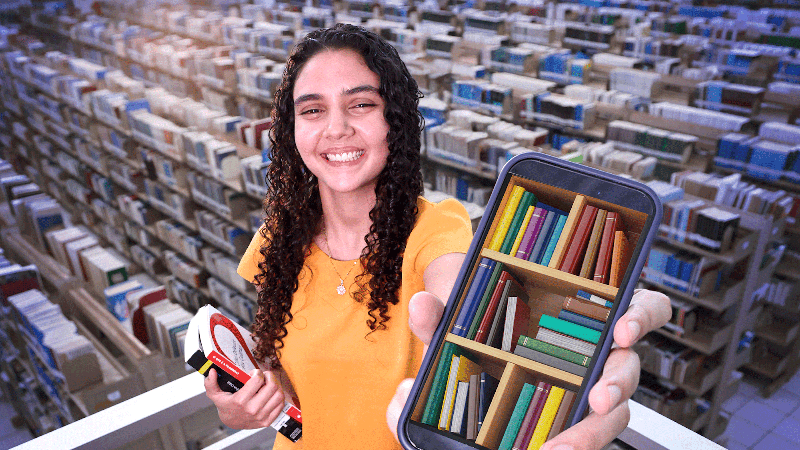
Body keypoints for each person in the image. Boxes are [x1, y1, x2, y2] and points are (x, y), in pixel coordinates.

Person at [203, 23, 671, 450]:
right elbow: (282, 372)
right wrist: (242, 406)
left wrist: (557, 324)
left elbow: (453, 296)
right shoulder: (277, 240)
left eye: (361, 103)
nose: (336, 127)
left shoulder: (436, 229)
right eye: (312, 109)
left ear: (396, 120)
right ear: (291, 128)